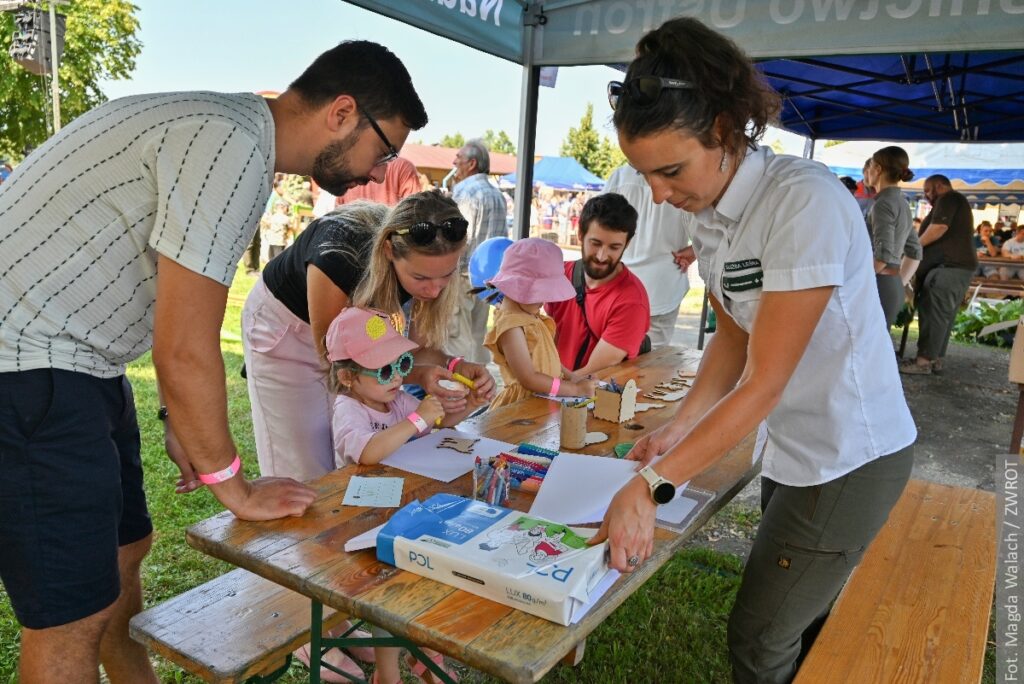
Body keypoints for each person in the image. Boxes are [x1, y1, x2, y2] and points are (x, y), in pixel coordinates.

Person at [0, 38, 431, 683]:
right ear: (343, 112)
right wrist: (233, 486)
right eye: (384, 148)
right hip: (32, 369)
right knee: (68, 622)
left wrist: (180, 414)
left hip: (80, 365)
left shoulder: (223, 127)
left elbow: (160, 304)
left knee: (123, 560)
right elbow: (185, 345)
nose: (377, 172)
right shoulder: (232, 148)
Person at [592, 18, 916, 684]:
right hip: (797, 448)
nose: (657, 193)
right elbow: (731, 341)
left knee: (760, 635)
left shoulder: (803, 204)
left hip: (847, 454)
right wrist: (679, 426)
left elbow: (765, 381)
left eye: (670, 170)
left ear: (722, 131)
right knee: (801, 619)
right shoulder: (710, 213)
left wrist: (655, 485)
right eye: (645, 174)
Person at [243, 191, 496, 481]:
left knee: (351, 461)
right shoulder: (339, 259)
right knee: (303, 466)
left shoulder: (421, 270)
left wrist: (453, 366)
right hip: (288, 327)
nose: (434, 291)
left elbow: (411, 352)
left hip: (352, 357)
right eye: (421, 278)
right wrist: (415, 378)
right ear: (389, 251)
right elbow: (340, 363)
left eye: (446, 275)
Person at [325, 307, 479, 684]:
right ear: (347, 377)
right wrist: (416, 419)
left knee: (426, 577)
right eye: (383, 371)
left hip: (402, 505)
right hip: (363, 518)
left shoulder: (394, 400)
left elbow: (434, 424)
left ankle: (426, 650)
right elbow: (367, 452)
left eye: (401, 364)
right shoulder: (349, 408)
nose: (397, 378)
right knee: (388, 595)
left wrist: (468, 406)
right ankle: (387, 671)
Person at [479, 238, 596, 409]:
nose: (544, 301)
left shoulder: (531, 316)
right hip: (520, 408)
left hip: (543, 399)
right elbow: (529, 378)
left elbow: (547, 358)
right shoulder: (511, 326)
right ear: (517, 286)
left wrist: (571, 376)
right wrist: (574, 389)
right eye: (540, 293)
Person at [545, 193, 651, 374]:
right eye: (596, 243)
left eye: (614, 247)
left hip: (592, 397)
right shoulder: (558, 275)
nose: (602, 256)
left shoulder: (631, 301)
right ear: (580, 234)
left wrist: (542, 384)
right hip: (554, 384)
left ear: (627, 244)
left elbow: (590, 375)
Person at [604, 163, 696, 348]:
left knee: (611, 357)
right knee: (651, 362)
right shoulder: (683, 177)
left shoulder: (619, 177)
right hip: (662, 284)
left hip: (619, 283)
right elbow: (705, 234)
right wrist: (693, 252)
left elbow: (598, 224)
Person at [901, 174, 977, 375]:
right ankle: (934, 359)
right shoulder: (953, 202)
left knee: (933, 313)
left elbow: (939, 227)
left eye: (928, 190)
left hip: (948, 268)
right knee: (943, 315)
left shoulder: (949, 199)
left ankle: (924, 361)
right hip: (954, 268)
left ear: (940, 186)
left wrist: (914, 248)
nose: (926, 195)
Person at [446, 139, 509, 365]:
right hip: (488, 280)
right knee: (477, 335)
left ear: (471, 163)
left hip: (462, 276)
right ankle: (476, 393)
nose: (454, 161)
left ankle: (458, 392)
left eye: (459, 157)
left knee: (457, 339)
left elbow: (456, 239)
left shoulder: (466, 192)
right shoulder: (497, 194)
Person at [865, 146, 922, 327]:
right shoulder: (902, 202)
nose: (868, 171)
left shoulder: (883, 204)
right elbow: (915, 251)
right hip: (892, 284)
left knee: (866, 347)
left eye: (870, 166)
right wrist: (899, 281)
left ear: (878, 169)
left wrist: (857, 281)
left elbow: (883, 254)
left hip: (879, 284)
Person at [336, 155, 422, 207]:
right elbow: (413, 212)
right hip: (388, 235)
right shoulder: (404, 167)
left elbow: (338, 211)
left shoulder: (347, 167)